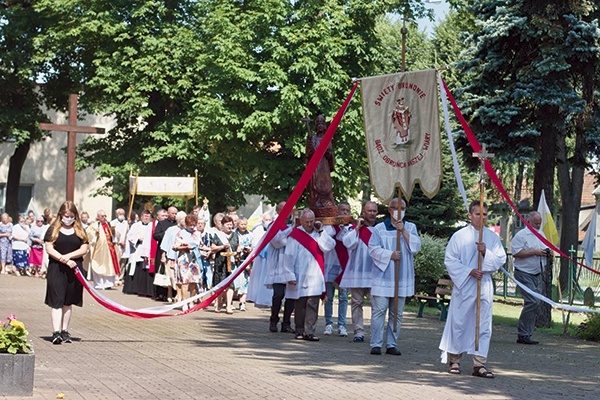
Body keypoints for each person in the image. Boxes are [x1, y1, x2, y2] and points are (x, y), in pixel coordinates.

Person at [439, 201, 507, 378]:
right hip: (465, 285)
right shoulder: (459, 236)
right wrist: (469, 271)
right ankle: (454, 360)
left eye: (485, 214)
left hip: (483, 284)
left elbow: (500, 259)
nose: (482, 217)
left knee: (482, 323)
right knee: (460, 321)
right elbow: (450, 260)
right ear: (470, 215)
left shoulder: (492, 238)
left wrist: (486, 253)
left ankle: (479, 363)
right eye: (478, 214)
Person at [368, 198, 421, 356]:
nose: (399, 210)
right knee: (379, 310)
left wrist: (403, 231)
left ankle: (392, 344)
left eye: (402, 207)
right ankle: (376, 343)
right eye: (396, 207)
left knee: (396, 312)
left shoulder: (410, 227)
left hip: (401, 276)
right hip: (384, 276)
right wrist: (389, 255)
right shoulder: (379, 228)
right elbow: (372, 249)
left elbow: (416, 246)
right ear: (390, 210)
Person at [284, 208, 335, 341]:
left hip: (316, 274)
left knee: (313, 304)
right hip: (299, 274)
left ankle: (310, 331)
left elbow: (329, 246)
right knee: (300, 305)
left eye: (312, 221)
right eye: (307, 221)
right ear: (301, 221)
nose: (310, 224)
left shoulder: (319, 233)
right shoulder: (295, 235)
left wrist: (321, 231)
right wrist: (290, 275)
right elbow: (288, 256)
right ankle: (299, 330)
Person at [44, 201, 89, 344]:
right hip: (57, 268)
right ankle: (56, 332)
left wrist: (69, 257)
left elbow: (84, 249)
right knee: (57, 300)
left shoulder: (80, 230)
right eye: (65, 215)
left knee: (68, 301)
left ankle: (64, 331)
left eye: (71, 216)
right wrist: (64, 260)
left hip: (74, 268)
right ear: (60, 215)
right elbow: (49, 248)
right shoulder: (53, 229)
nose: (68, 218)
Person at [341, 201, 378, 342]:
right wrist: (357, 228)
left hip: (375, 272)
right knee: (357, 302)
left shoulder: (380, 229)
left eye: (374, 211)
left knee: (377, 304)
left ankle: (376, 332)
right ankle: (358, 332)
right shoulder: (354, 228)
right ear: (364, 212)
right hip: (357, 271)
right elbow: (348, 243)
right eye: (369, 211)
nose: (372, 213)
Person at [511, 211, 547, 345]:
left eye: (540, 223)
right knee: (532, 301)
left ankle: (527, 333)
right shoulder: (521, 236)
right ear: (529, 222)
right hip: (524, 273)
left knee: (535, 302)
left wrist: (547, 253)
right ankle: (523, 333)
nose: (538, 225)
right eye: (536, 223)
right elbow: (516, 253)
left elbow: (544, 248)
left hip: (537, 273)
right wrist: (534, 252)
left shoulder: (541, 234)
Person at [264, 202, 296, 333]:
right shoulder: (273, 225)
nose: (286, 212)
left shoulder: (294, 224)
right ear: (277, 211)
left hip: (291, 264)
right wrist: (291, 229)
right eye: (283, 209)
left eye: (288, 209)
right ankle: (273, 319)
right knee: (279, 294)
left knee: (291, 295)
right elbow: (278, 242)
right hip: (278, 264)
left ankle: (286, 323)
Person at [323, 202, 351, 337]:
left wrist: (344, 228)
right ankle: (328, 323)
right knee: (329, 296)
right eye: (342, 210)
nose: (345, 213)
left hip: (343, 266)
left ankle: (342, 325)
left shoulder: (351, 227)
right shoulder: (329, 226)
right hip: (331, 263)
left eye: (347, 210)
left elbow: (347, 241)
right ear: (337, 211)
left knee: (343, 297)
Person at [306, 114, 337, 217]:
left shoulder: (327, 138)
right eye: (318, 123)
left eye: (322, 123)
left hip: (324, 165)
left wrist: (329, 153)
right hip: (316, 166)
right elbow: (309, 153)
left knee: (326, 183)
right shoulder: (312, 138)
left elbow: (330, 153)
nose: (320, 126)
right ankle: (317, 201)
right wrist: (310, 146)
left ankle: (328, 201)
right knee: (315, 184)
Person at [172, 214, 202, 311]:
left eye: (194, 225)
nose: (192, 227)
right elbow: (175, 247)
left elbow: (200, 245)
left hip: (194, 259)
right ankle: (184, 302)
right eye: (190, 225)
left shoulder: (197, 233)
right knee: (185, 281)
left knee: (194, 281)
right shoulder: (181, 233)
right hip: (184, 259)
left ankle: (191, 301)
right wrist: (185, 247)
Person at [211, 215, 239, 314]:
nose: (230, 227)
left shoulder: (235, 235)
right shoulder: (218, 235)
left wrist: (238, 251)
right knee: (220, 286)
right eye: (227, 225)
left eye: (231, 225)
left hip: (231, 264)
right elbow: (213, 248)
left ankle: (228, 306)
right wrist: (222, 246)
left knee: (230, 285)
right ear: (222, 225)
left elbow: (237, 246)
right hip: (220, 263)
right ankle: (218, 304)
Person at [87, 210, 120, 290]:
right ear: (98, 217)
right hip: (99, 249)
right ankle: (99, 284)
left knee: (109, 265)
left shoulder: (109, 225)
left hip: (110, 250)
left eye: (105, 216)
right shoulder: (94, 225)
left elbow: (117, 236)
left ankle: (108, 284)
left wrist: (114, 232)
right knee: (99, 264)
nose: (104, 218)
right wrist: (95, 233)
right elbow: (88, 234)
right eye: (102, 216)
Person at [246, 212, 273, 308]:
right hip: (262, 256)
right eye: (266, 220)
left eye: (270, 219)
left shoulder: (274, 227)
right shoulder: (258, 230)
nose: (268, 222)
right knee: (261, 277)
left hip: (271, 256)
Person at [123, 210, 153, 296]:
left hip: (148, 249)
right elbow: (130, 236)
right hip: (137, 248)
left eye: (148, 216)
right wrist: (138, 239)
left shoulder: (152, 226)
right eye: (145, 216)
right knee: (136, 267)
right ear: (141, 216)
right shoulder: (135, 225)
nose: (146, 218)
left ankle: (143, 289)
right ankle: (133, 288)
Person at [153, 206, 177, 301]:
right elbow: (155, 235)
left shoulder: (177, 224)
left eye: (175, 213)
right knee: (162, 272)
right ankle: (160, 294)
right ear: (168, 213)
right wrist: (166, 234)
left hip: (174, 251)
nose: (174, 215)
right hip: (162, 251)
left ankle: (173, 293)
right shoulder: (162, 223)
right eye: (172, 213)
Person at [234, 217, 252, 311]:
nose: (243, 226)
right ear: (237, 224)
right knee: (235, 282)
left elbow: (254, 246)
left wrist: (249, 250)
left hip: (246, 261)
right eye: (242, 224)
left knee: (245, 282)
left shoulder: (250, 234)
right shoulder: (234, 234)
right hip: (235, 261)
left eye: (245, 224)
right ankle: (230, 302)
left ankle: (242, 303)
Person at [110, 208, 129, 285]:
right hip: (117, 244)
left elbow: (128, 233)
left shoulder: (126, 223)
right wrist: (119, 241)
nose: (122, 215)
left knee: (123, 262)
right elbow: (112, 235)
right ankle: (115, 277)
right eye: (120, 214)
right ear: (116, 214)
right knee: (116, 261)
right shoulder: (113, 223)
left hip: (125, 245)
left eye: (123, 214)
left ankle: (121, 277)